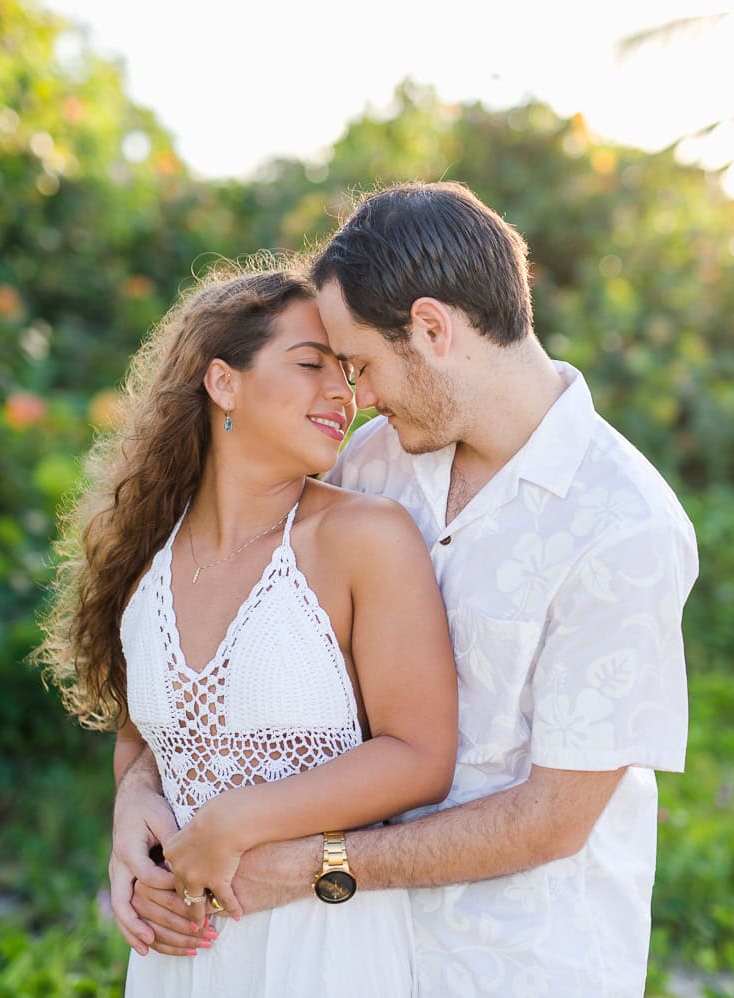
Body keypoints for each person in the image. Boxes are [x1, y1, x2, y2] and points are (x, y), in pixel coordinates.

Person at [111, 182, 698, 996]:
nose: (356, 398)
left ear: (431, 329)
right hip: (346, 951)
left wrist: (315, 866)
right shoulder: (376, 462)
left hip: (518, 960)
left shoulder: (624, 528)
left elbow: (554, 818)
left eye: (359, 365)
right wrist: (142, 789)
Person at [36, 263, 459, 996]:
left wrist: (238, 821)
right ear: (223, 382)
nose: (342, 394)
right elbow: (150, 735)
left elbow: (420, 756)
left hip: (322, 947)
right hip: (178, 955)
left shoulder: (363, 537)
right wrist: (131, 810)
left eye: (347, 372)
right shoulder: (146, 556)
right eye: (309, 365)